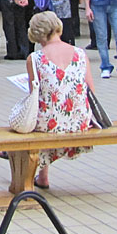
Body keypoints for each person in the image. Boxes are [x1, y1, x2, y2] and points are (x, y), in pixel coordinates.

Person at [24, 11, 95, 189]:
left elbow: (34, 94)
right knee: (52, 111)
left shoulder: (35, 58)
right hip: (80, 120)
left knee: (40, 116)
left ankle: (29, 173)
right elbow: (91, 90)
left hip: (50, 123)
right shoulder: (80, 54)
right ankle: (42, 176)